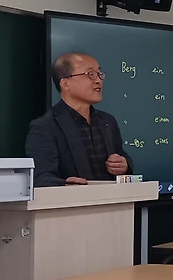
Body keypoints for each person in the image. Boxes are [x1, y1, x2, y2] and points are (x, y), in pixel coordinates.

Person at [26, 52, 133, 187]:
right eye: (90, 74)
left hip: (113, 199)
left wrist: (124, 165)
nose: (98, 80)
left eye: (100, 74)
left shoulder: (108, 121)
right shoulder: (45, 127)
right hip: (73, 200)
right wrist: (65, 185)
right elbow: (40, 177)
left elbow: (122, 156)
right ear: (65, 84)